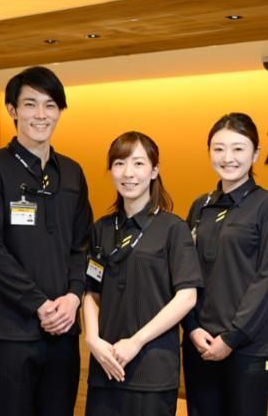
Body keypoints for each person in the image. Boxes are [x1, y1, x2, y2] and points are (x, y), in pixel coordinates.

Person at [0, 66, 93, 416]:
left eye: (50, 105)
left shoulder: (72, 172)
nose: (41, 114)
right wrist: (39, 304)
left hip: (63, 332)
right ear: (12, 110)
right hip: (12, 333)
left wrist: (73, 297)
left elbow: (82, 245)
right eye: (30, 104)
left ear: (60, 111)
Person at [84, 131, 201, 416]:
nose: (128, 173)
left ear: (154, 171)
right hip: (106, 364)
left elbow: (186, 297)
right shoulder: (101, 228)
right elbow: (91, 292)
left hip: (152, 368)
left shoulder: (173, 228)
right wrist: (93, 339)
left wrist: (136, 341)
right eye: (119, 163)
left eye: (138, 163)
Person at [183, 113, 268, 416]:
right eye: (219, 149)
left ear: (255, 154)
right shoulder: (200, 206)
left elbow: (267, 279)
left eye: (238, 148)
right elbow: (185, 274)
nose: (227, 157)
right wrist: (192, 329)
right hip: (200, 344)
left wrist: (231, 338)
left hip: (247, 348)